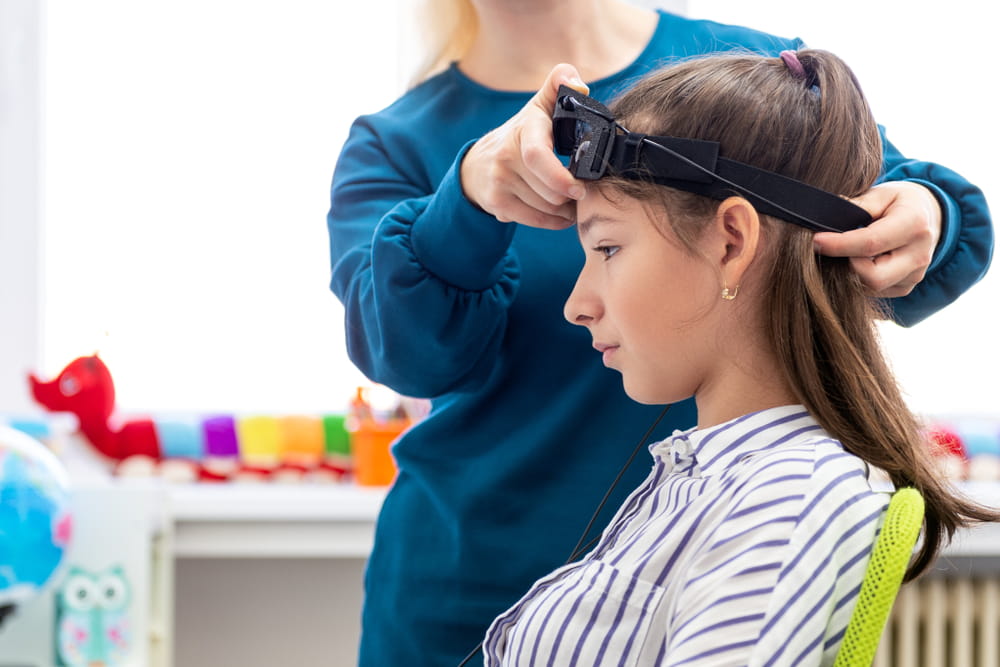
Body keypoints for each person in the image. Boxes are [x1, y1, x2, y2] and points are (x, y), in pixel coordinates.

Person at [327, 2, 993, 664]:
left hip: (712, 566)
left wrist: (927, 212)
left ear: (733, 237)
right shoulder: (395, 144)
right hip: (465, 600)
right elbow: (403, 349)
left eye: (609, 247)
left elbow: (862, 233)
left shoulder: (749, 75)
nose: (577, 305)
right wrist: (465, 199)